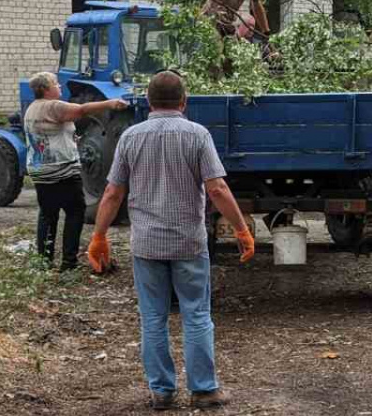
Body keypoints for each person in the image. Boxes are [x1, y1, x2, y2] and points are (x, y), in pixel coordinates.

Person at [85, 71, 256, 411]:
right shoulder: (196, 135)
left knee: (153, 318)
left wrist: (99, 235)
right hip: (187, 242)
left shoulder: (131, 138)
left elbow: (112, 192)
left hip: (147, 244)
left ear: (148, 102)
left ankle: (162, 391)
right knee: (195, 315)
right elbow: (217, 189)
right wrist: (241, 229)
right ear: (184, 101)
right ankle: (204, 390)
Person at [23, 73, 128, 270]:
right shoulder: (52, 106)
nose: (60, 86)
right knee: (75, 212)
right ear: (46, 89)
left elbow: (49, 136)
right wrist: (110, 103)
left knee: (48, 214)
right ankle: (68, 262)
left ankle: (44, 261)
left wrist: (72, 141)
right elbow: (82, 109)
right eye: (55, 83)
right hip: (61, 171)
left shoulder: (32, 109)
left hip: (40, 171)